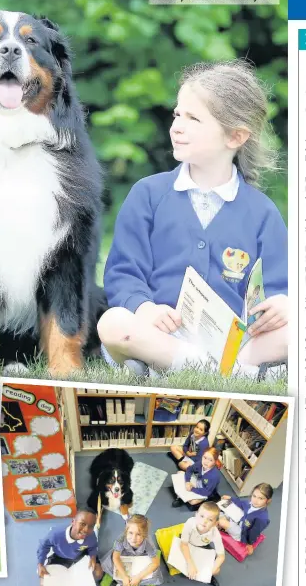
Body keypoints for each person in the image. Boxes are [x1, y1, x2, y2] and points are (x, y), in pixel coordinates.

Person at [98, 60, 288, 377]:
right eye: (177, 114)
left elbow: (280, 287)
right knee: (113, 323)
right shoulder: (147, 194)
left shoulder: (262, 211)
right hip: (159, 336)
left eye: (193, 118)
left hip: (236, 344)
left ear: (235, 137)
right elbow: (122, 273)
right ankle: (236, 373)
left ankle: (180, 368)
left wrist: (284, 304)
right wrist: (146, 309)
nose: (177, 126)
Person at [37, 509, 103, 586]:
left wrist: (93, 557)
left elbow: (93, 547)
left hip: (81, 555)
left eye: (91, 526)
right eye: (82, 524)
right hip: (60, 557)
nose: (86, 529)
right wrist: (40, 564)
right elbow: (43, 546)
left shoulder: (91, 536)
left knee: (98, 573)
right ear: (73, 522)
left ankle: (93, 584)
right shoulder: (56, 534)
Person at [101, 514, 163, 586]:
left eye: (138, 534)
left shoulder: (148, 544)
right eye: (130, 533)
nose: (133, 539)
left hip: (141, 559)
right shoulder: (121, 539)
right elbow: (116, 557)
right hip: (125, 557)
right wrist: (124, 576)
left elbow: (155, 563)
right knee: (110, 564)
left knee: (154, 573)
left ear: (144, 535)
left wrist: (138, 577)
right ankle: (119, 581)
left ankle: (140, 583)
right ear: (126, 531)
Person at [180, 501, 225, 586]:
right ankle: (192, 569)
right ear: (196, 515)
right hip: (188, 544)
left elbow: (221, 556)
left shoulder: (215, 533)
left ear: (215, 524)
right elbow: (183, 544)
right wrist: (190, 564)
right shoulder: (190, 522)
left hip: (203, 547)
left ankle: (208, 577)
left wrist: (211, 571)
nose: (204, 521)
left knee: (217, 570)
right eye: (202, 516)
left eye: (210, 519)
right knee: (182, 562)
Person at [218, 482, 272, 554]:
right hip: (239, 520)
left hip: (242, 533)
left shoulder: (262, 518)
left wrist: (250, 544)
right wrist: (231, 498)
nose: (255, 500)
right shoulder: (251, 503)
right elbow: (241, 503)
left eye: (261, 498)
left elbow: (254, 533)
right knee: (218, 512)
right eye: (254, 496)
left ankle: (220, 527)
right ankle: (220, 525)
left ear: (267, 500)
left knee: (221, 521)